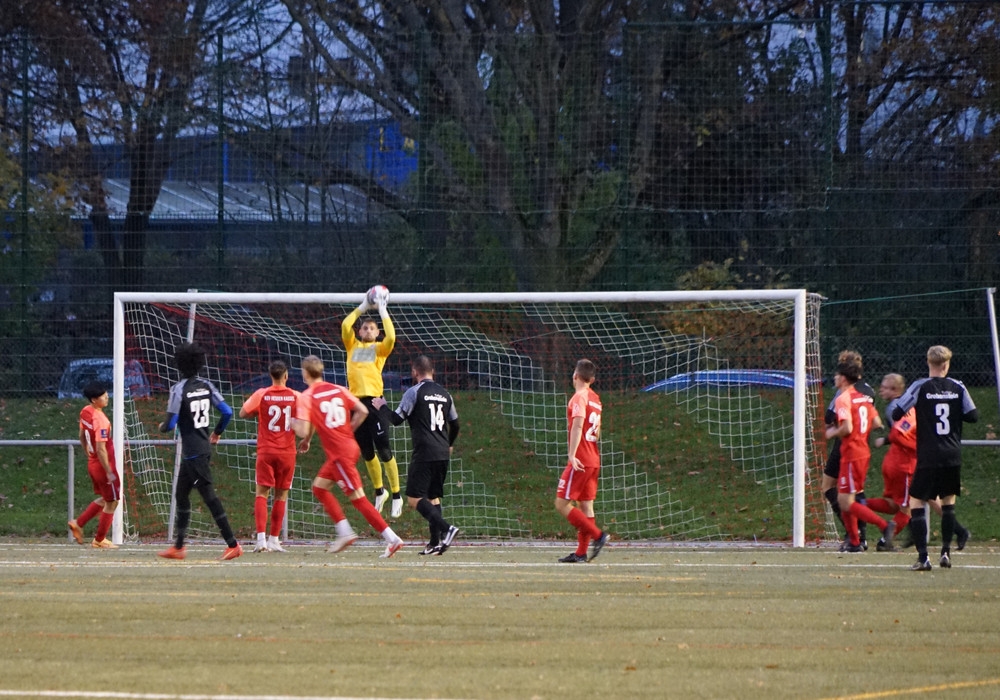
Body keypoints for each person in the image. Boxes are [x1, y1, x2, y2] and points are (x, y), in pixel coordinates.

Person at [293, 354, 404, 558]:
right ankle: (344, 531)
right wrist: (345, 431)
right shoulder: (339, 389)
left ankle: (392, 538)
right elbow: (362, 411)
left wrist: (292, 422)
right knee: (319, 487)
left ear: (305, 374)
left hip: (339, 454)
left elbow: (301, 429)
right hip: (347, 448)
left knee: (358, 499)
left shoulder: (306, 396)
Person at [892, 346, 978, 571]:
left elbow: (897, 412)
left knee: (916, 501)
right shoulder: (958, 386)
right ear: (946, 365)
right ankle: (946, 553)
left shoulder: (920, 386)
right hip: (952, 453)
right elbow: (973, 415)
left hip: (929, 453)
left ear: (928, 363)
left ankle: (923, 558)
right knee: (948, 502)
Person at [157, 343, 243, 561]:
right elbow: (227, 412)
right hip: (198, 450)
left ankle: (233, 544)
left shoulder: (178, 389)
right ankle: (178, 547)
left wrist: (162, 426)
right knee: (181, 494)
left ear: (179, 364)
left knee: (209, 497)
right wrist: (217, 432)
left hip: (194, 452)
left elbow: (170, 423)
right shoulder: (207, 385)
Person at [373, 355, 460, 555]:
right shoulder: (445, 394)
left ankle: (447, 529)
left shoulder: (414, 392)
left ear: (414, 372)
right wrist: (449, 444)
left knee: (414, 498)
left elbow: (396, 419)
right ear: (432, 372)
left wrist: (381, 406)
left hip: (425, 451)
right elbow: (455, 424)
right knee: (433, 497)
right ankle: (434, 543)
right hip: (442, 452)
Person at [825, 350, 895, 553]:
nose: (835, 378)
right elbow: (877, 422)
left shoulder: (844, 398)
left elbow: (846, 427)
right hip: (863, 450)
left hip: (851, 451)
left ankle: (883, 526)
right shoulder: (863, 396)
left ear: (843, 377)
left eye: (837, 375)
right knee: (845, 498)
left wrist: (832, 432)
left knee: (846, 501)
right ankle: (855, 542)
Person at [342, 289, 403, 518]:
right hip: (355, 405)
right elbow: (345, 325)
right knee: (367, 452)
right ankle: (380, 491)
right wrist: (363, 307)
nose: (368, 330)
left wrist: (382, 310)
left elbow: (392, 338)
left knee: (384, 449)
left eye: (372, 328)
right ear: (360, 332)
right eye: (365, 328)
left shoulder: (379, 349)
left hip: (374, 403)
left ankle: (396, 494)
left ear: (377, 333)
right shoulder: (352, 346)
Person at [239, 360, 300, 553]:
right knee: (281, 495)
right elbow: (307, 415)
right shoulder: (296, 396)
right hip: (287, 452)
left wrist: (258, 413)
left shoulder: (261, 394)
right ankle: (274, 539)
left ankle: (261, 540)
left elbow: (242, 413)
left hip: (266, 450)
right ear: (286, 376)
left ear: (270, 376)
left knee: (261, 494)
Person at [555, 359, 609, 563]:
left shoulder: (580, 397)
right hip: (593, 457)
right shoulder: (596, 398)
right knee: (586, 506)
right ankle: (580, 553)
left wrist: (572, 454)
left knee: (561, 503)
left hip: (581, 459)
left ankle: (598, 535)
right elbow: (597, 431)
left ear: (575, 376)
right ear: (592, 380)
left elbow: (578, 425)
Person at [821, 376, 877, 550]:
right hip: (863, 444)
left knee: (830, 487)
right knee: (857, 491)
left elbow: (829, 417)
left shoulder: (844, 393)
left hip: (846, 445)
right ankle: (861, 536)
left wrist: (832, 430)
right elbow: (875, 421)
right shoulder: (869, 391)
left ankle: (854, 534)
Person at [69, 381, 120, 549]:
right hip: (103, 465)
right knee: (113, 501)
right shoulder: (100, 420)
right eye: (103, 396)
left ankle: (78, 523)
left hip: (93, 463)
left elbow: (82, 435)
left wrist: (88, 454)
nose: (107, 397)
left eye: (106, 394)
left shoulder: (86, 411)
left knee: (106, 499)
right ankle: (99, 539)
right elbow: (101, 448)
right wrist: (108, 471)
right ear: (94, 399)